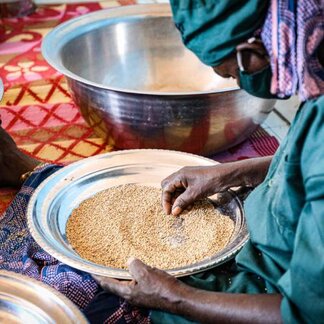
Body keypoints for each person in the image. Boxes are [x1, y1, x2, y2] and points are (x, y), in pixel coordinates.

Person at [0, 1, 323, 324]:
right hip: (275, 228)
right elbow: (303, 161)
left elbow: (303, 315)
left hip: (269, 290)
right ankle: (34, 174)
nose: (238, 83)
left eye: (232, 73)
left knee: (72, 302)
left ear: (254, 52)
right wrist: (232, 172)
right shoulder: (314, 69)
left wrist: (174, 298)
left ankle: (31, 173)